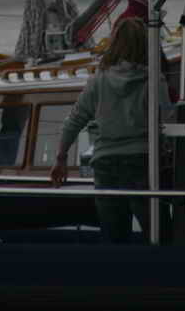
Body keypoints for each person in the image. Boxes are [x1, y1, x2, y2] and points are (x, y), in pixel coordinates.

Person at [49, 18, 171, 243]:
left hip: (105, 163)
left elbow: (75, 119)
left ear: (114, 43)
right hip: (143, 162)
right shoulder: (155, 80)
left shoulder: (98, 79)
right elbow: (168, 122)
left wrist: (61, 157)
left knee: (114, 236)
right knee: (158, 234)